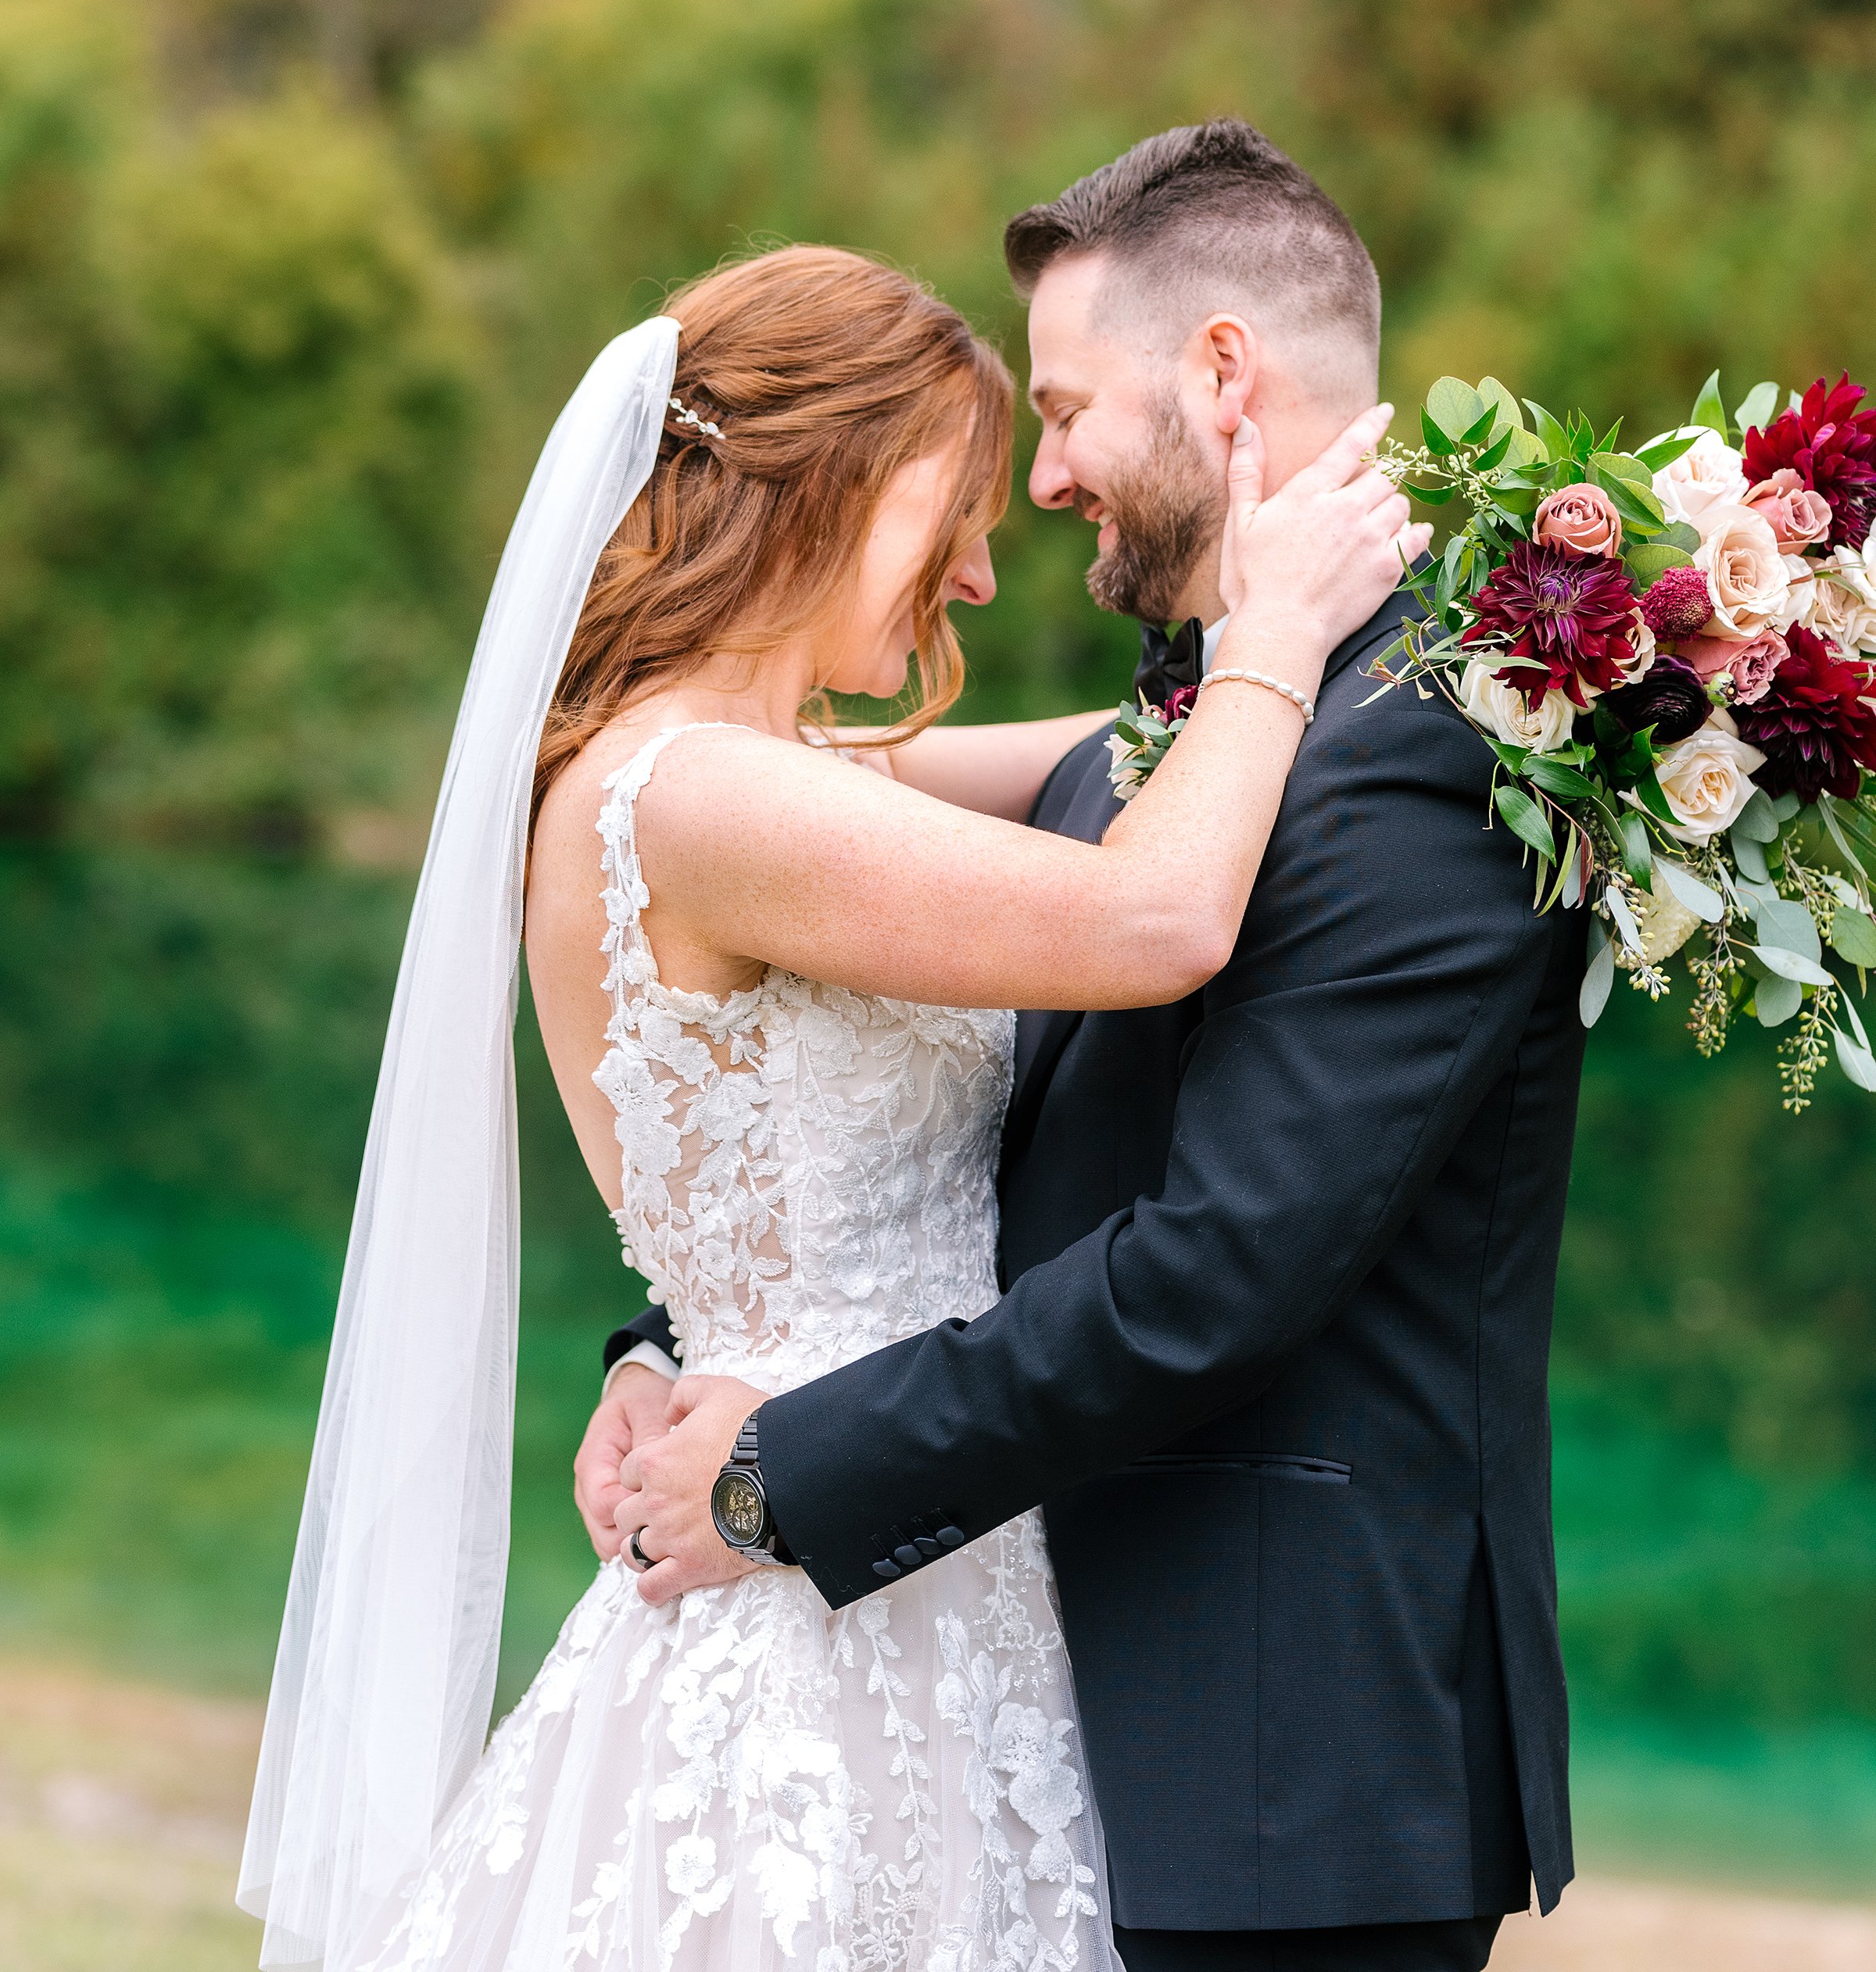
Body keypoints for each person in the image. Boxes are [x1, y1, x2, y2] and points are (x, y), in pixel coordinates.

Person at [242, 231, 1414, 1972]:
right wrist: (1283, 628)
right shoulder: (709, 802)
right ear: (821, 482)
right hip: (822, 1599)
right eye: (948, 508)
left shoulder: (730, 771)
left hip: (885, 1528)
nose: (974, 574)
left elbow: (1113, 759)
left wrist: (1373, 653)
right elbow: (1155, 912)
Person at [590, 124, 1591, 1972]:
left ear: (1223, 376)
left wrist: (779, 1463)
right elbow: (906, 1098)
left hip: (1286, 1762)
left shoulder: (1431, 741)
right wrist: (696, 1329)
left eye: (1058, 412)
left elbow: (1213, 1276)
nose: (1035, 485)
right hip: (1043, 1711)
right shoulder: (1196, 733)